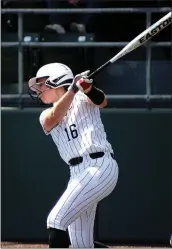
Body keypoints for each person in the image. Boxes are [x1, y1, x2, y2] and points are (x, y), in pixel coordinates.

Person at [28, 62, 119, 248]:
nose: (39, 88)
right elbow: (53, 118)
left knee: (56, 221)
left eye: (42, 83)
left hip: (99, 166)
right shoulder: (46, 114)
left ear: (56, 81)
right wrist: (72, 90)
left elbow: (102, 101)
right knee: (81, 244)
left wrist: (86, 87)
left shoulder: (83, 98)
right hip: (78, 174)